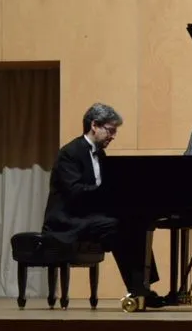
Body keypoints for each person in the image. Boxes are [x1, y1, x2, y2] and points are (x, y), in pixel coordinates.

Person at [41, 102, 166, 308]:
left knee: (136, 223)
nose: (113, 136)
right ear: (94, 125)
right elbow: (75, 193)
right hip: (67, 221)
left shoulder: (100, 154)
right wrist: (108, 193)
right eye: (110, 130)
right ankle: (138, 288)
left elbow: (103, 190)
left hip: (88, 216)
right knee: (119, 226)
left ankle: (142, 286)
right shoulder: (70, 153)